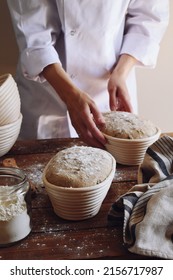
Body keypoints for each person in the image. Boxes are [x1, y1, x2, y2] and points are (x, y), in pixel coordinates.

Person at [7, 0, 169, 148]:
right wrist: (70, 96)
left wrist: (121, 72)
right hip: (49, 95)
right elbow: (33, 33)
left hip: (110, 92)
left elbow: (150, 18)